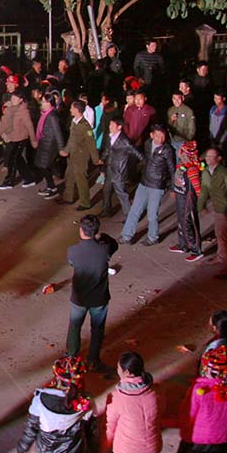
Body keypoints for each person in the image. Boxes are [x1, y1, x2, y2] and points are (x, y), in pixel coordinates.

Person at [16, 355, 96, 453]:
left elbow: (31, 428)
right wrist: (93, 450)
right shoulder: (85, 403)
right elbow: (92, 430)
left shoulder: (40, 400)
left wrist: (22, 448)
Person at [105, 351, 161, 453]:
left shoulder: (118, 398)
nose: (117, 370)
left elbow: (111, 425)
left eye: (118, 368)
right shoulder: (154, 392)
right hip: (151, 450)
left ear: (127, 373)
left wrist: (106, 444)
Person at [67, 215, 117, 371]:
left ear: (81, 231)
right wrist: (102, 237)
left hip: (79, 297)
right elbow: (114, 245)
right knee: (97, 329)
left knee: (75, 327)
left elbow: (72, 263)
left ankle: (72, 358)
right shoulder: (104, 249)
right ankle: (93, 360)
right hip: (99, 297)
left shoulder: (73, 251)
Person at [119, 125, 175, 246]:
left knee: (152, 214)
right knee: (134, 210)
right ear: (152, 135)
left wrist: (172, 187)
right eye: (157, 135)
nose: (160, 139)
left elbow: (172, 169)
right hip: (144, 182)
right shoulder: (148, 144)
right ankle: (126, 236)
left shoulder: (168, 150)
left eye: (162, 136)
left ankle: (153, 237)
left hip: (156, 185)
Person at [197, 147, 227, 278]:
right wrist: (201, 205)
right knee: (220, 234)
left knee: (224, 236)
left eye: (211, 157)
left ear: (219, 158)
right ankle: (221, 257)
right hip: (217, 208)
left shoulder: (225, 173)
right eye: (207, 156)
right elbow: (204, 190)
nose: (208, 159)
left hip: (226, 209)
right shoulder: (207, 172)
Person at [58, 100, 102, 210]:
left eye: (72, 108)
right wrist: (66, 150)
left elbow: (92, 144)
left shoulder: (85, 126)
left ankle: (85, 202)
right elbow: (71, 139)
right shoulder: (74, 121)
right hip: (73, 154)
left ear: (77, 110)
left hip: (81, 156)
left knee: (80, 179)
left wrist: (96, 159)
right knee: (69, 175)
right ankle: (68, 197)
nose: (70, 110)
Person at [0, 90, 37, 189]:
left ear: (21, 100)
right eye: (12, 98)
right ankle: (29, 178)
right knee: (18, 158)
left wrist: (33, 140)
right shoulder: (9, 110)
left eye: (15, 98)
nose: (13, 100)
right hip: (12, 137)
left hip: (21, 138)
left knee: (13, 159)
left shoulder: (23, 111)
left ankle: (9, 182)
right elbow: (4, 125)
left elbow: (30, 126)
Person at [99, 118, 143, 217]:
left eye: (112, 125)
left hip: (119, 170)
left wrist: (146, 163)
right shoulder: (110, 137)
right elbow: (107, 150)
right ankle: (106, 209)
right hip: (110, 168)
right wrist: (102, 159)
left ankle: (131, 215)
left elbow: (136, 152)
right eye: (110, 124)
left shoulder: (124, 140)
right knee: (106, 189)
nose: (110, 127)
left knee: (121, 193)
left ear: (119, 127)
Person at [169, 141, 204, 261]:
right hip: (180, 197)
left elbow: (198, 189)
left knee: (188, 222)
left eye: (182, 152)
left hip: (187, 199)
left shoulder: (192, 170)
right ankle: (183, 245)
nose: (179, 153)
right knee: (180, 220)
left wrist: (201, 204)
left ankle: (196, 249)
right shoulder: (181, 165)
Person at [33, 91, 66, 199]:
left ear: (49, 103)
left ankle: (53, 188)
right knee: (42, 165)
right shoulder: (45, 114)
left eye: (44, 101)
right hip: (44, 143)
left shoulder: (51, 116)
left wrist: (61, 148)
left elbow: (58, 133)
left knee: (43, 165)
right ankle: (50, 186)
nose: (41, 103)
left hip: (49, 145)